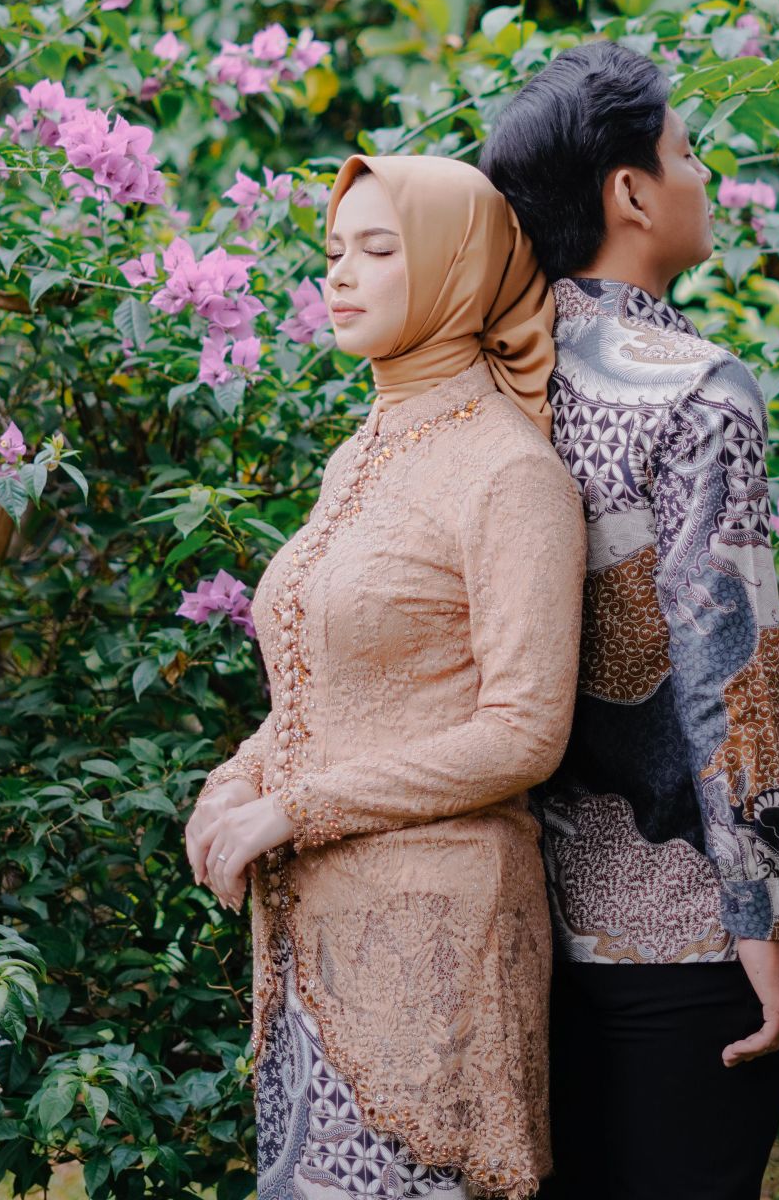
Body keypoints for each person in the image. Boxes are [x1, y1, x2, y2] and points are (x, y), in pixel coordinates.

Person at [184, 153, 587, 1200]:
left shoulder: (510, 473)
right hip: (307, 941)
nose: (339, 274)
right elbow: (321, 687)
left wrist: (294, 807)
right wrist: (235, 782)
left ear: (458, 269)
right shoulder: (360, 454)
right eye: (332, 251)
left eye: (377, 249)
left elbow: (523, 731)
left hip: (434, 947)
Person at [479, 39, 779, 1200]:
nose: (702, 175)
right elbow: (730, 671)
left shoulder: (480, 378)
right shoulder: (692, 385)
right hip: (685, 933)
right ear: (628, 191)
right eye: (685, 153)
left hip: (518, 916)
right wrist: (759, 921)